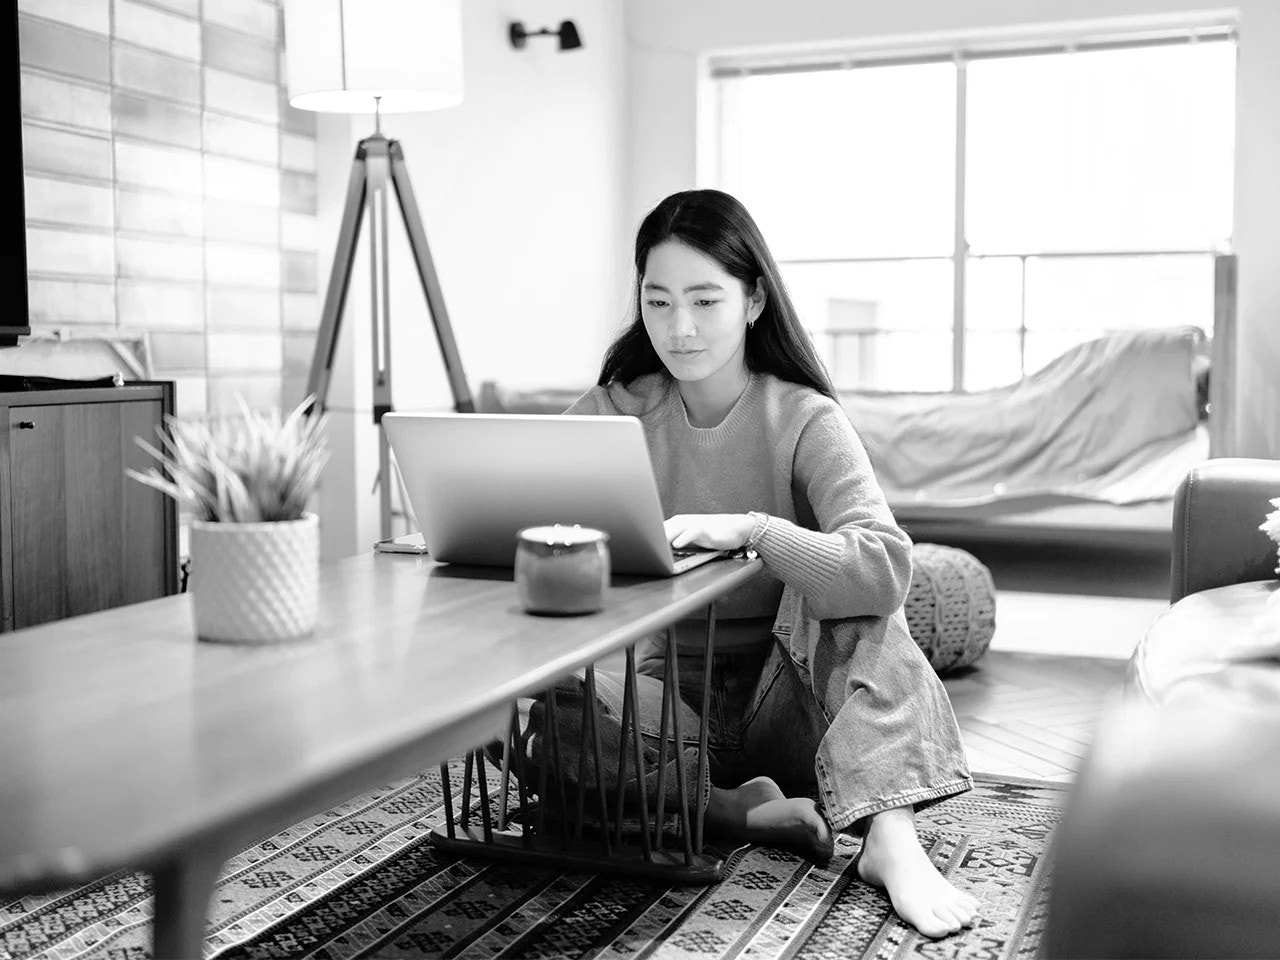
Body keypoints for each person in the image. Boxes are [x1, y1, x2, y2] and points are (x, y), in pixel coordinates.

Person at [530, 188, 978, 938]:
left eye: (706, 300)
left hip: (788, 701)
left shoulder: (802, 417)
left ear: (754, 300)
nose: (680, 327)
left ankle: (889, 840)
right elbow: (526, 504)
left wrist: (757, 531)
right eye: (659, 300)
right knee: (543, 720)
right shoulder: (614, 412)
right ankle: (725, 807)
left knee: (856, 601)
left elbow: (886, 568)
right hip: (666, 703)